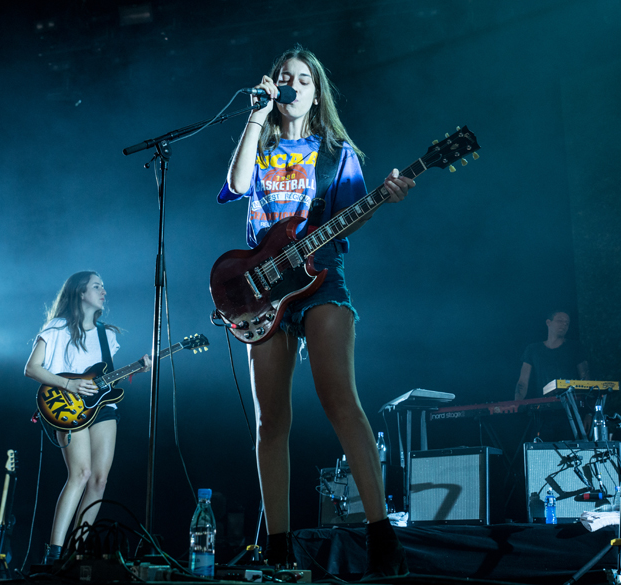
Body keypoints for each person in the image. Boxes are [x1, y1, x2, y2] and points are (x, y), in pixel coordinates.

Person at [217, 45, 415, 578]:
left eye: (303, 78)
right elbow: (236, 188)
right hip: (263, 289)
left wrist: (384, 197)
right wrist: (255, 116)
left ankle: (381, 538)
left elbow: (347, 218)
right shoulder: (258, 144)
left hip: (322, 277)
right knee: (270, 422)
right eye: (284, 76)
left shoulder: (336, 151)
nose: (292, 83)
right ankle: (277, 547)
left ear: (316, 90)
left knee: (340, 401)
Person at [24, 271, 150, 564]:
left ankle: (75, 551)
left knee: (100, 480)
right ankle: (53, 554)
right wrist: (69, 384)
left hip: (102, 409)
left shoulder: (108, 335)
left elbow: (105, 380)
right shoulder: (56, 329)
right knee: (79, 474)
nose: (104, 291)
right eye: (97, 286)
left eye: (104, 286)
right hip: (66, 407)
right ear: (80, 293)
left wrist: (135, 370)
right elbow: (32, 368)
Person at [514, 310, 590, 401]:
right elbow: (522, 382)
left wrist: (588, 410)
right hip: (544, 406)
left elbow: (586, 379)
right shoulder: (532, 349)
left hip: (571, 405)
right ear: (548, 322)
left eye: (567, 323)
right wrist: (517, 405)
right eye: (560, 321)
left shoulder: (575, 347)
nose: (564, 324)